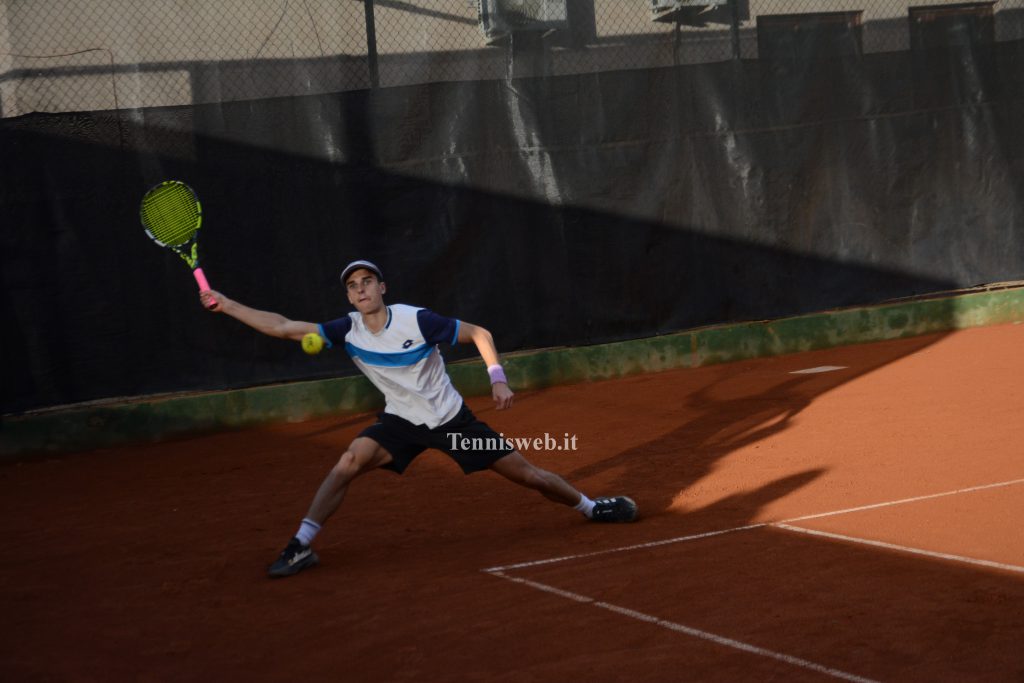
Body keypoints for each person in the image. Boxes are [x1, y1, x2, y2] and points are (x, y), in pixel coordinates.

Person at [200, 259, 637, 578]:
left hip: (452, 422)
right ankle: (301, 546)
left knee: (528, 475)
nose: (360, 290)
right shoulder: (345, 329)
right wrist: (227, 304)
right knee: (347, 462)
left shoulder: (416, 320)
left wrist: (497, 378)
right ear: (349, 296)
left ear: (382, 287)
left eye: (367, 281)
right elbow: (281, 326)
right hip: (400, 424)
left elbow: (479, 333)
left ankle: (590, 507)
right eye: (353, 286)